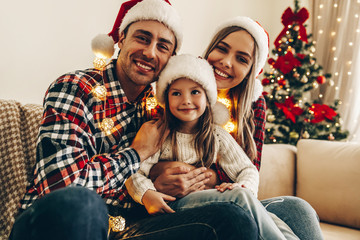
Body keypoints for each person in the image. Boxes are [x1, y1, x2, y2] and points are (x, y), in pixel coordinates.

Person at [10, 1, 259, 240]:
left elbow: (195, 151)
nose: (150, 52)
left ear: (170, 58)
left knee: (233, 218)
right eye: (142, 38)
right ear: (121, 39)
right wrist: (135, 155)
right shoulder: (76, 88)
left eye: (163, 46)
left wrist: (165, 180)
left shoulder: (162, 107)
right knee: (83, 203)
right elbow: (61, 186)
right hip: (55, 221)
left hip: (130, 228)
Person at [150, 16, 324, 240]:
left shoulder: (253, 106)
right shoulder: (180, 86)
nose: (226, 62)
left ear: (252, 69)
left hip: (230, 196)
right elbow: (144, 153)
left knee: (297, 209)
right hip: (182, 203)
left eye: (241, 59)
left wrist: (212, 176)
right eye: (222, 49)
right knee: (238, 209)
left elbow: (249, 167)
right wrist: (159, 171)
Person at [126, 53, 299, 239]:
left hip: (210, 202)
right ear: (166, 99)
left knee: (273, 218)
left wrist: (242, 185)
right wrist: (147, 194)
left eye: (195, 92)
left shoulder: (216, 135)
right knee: (240, 198)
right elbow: (133, 172)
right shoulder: (159, 133)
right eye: (176, 93)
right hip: (174, 206)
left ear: (208, 99)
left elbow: (247, 169)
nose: (186, 100)